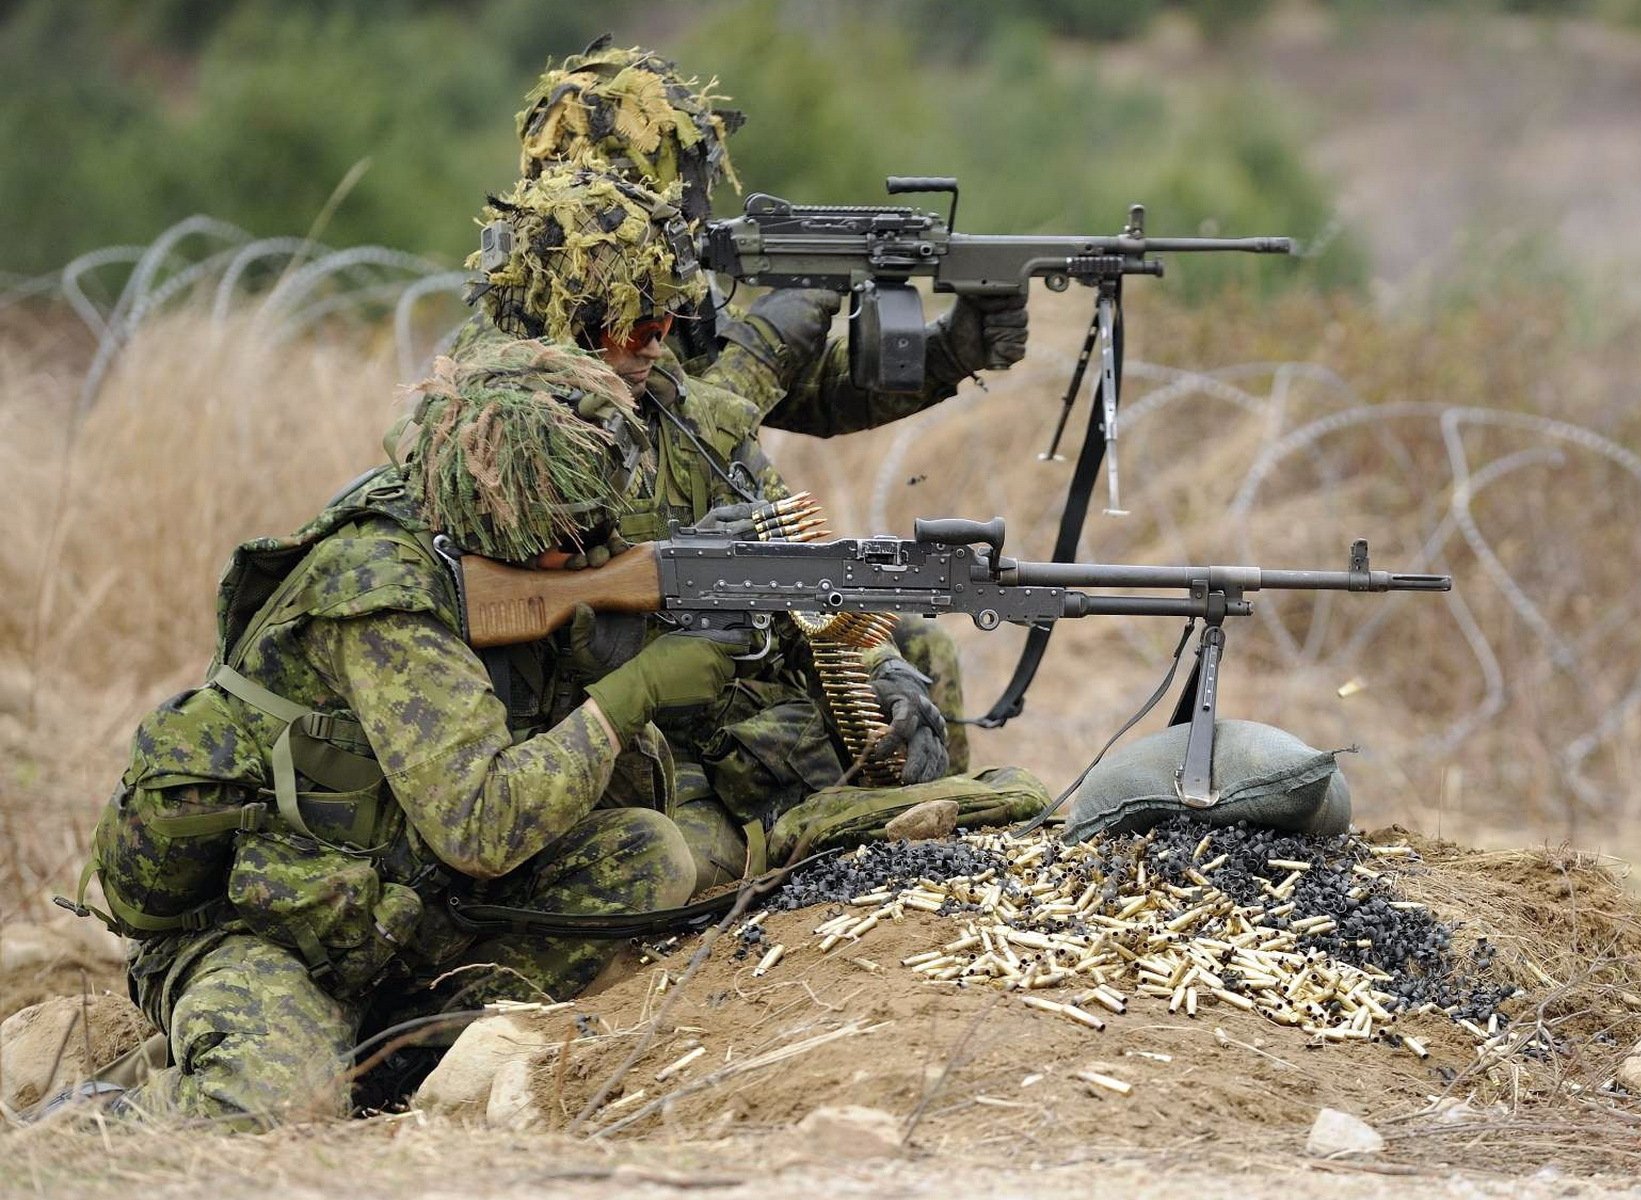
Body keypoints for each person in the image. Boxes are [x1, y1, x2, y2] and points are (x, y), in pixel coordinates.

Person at [79, 337, 739, 1126]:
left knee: (641, 859)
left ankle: (394, 1057)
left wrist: (588, 661)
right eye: (572, 528)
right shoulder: (382, 594)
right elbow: (481, 825)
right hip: (270, 922)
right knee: (260, 1117)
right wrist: (633, 693)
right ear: (516, 509)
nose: (587, 545)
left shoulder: (477, 532)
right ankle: (107, 1112)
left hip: (404, 906)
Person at [459, 166, 983, 889]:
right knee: (701, 869)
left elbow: (802, 576)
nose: (653, 345)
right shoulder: (497, 457)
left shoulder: (693, 423)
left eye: (664, 323)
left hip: (733, 729)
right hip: (612, 758)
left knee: (954, 766)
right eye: (631, 327)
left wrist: (878, 672)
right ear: (560, 328)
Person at [505, 35, 1032, 436]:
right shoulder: (520, 338)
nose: (687, 211)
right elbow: (666, 449)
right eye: (660, 190)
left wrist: (947, 351)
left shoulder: (667, 306)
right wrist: (763, 347)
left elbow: (807, 400)